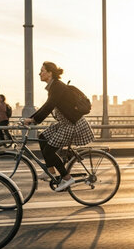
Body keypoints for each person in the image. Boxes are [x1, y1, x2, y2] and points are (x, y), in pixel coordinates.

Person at [23, 61, 95, 191]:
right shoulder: (53, 87)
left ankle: (67, 178)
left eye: (42, 70)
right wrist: (32, 118)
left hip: (72, 124)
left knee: (48, 151)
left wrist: (33, 120)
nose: (40, 73)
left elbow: (49, 106)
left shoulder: (57, 86)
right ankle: (50, 170)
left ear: (50, 73)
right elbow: (47, 105)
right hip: (64, 123)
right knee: (42, 137)